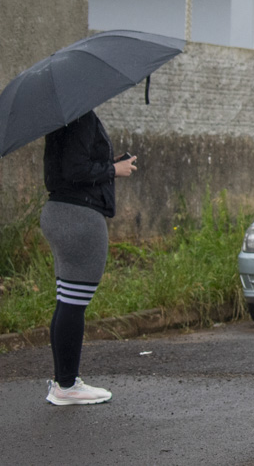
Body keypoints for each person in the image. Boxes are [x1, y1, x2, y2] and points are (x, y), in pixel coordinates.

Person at [41, 110, 137, 405]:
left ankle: (64, 382)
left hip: (60, 212)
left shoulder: (60, 119)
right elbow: (76, 170)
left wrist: (110, 163)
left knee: (67, 299)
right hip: (79, 217)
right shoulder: (80, 118)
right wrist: (114, 170)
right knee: (73, 301)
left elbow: (71, 166)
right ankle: (67, 386)